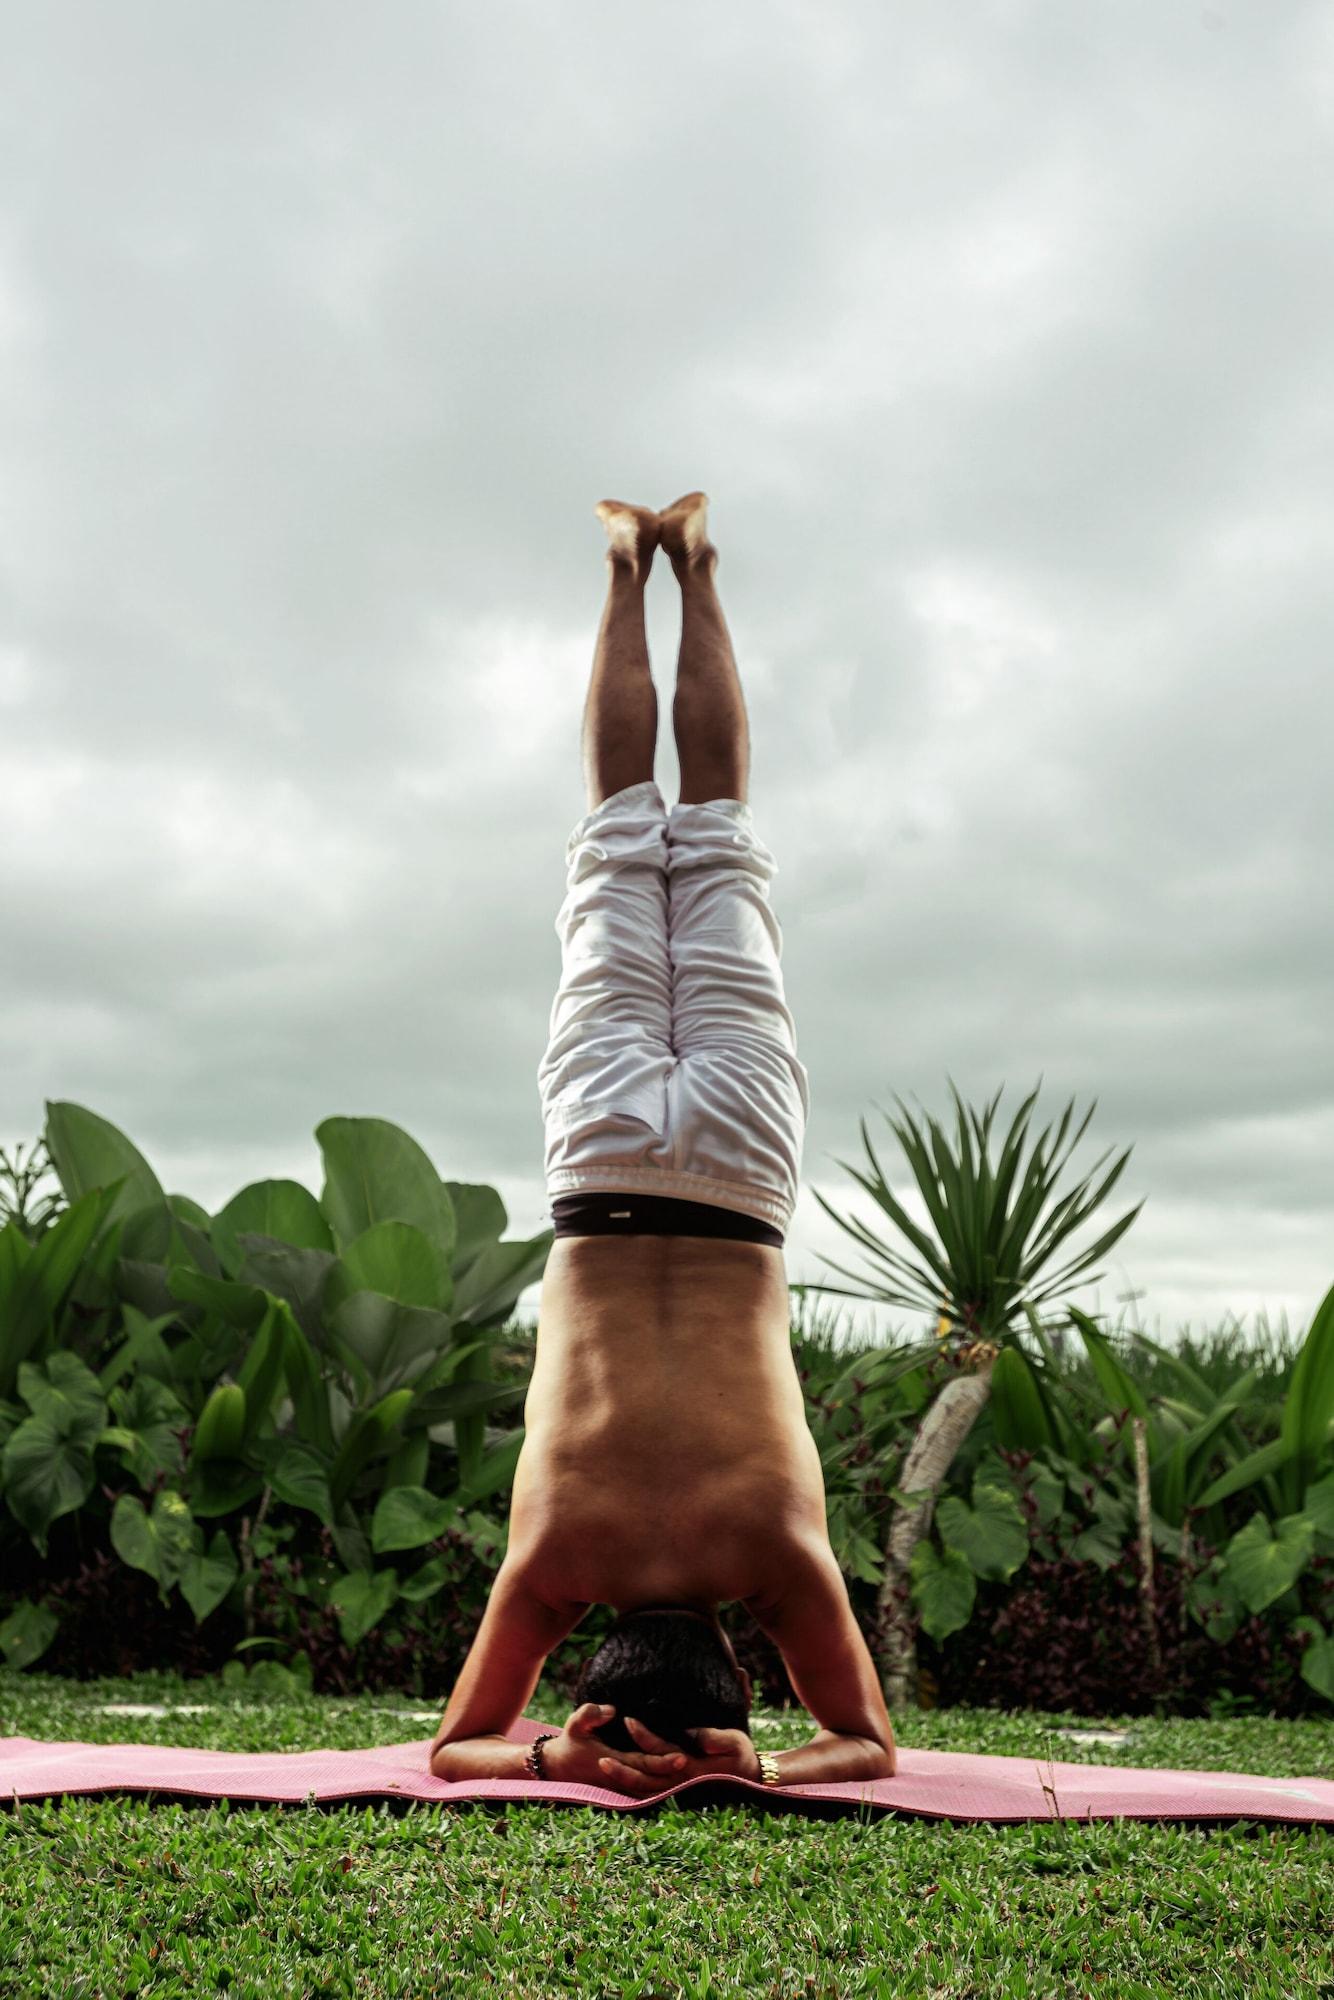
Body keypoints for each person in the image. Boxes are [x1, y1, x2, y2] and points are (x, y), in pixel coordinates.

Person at [429, 493, 896, 1794]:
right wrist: (553, 1758)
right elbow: (458, 1750)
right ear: (590, 1688)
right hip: (603, 1166)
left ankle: (689, 559)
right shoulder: (555, 1563)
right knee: (619, 832)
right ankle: (627, 562)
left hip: (737, 1178)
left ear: (737, 1660)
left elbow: (866, 1746)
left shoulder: (775, 1560)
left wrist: (757, 1769)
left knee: (722, 831)